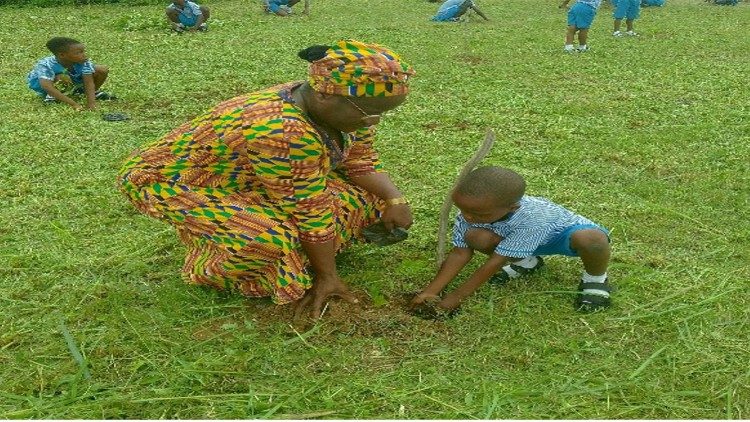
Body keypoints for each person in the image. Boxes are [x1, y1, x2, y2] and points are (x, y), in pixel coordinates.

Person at [117, 40, 416, 319]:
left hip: (249, 176)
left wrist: (394, 198)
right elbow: (309, 209)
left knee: (369, 198)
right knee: (269, 239)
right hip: (173, 180)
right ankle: (209, 269)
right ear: (324, 93)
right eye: (370, 114)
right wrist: (328, 277)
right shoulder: (281, 130)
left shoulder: (349, 105)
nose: (373, 122)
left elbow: (360, 158)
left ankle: (306, 252)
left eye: (382, 115)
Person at [411, 166, 612, 314]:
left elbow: (495, 262)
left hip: (559, 237)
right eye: (462, 209)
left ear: (512, 208)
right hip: (513, 239)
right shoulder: (471, 213)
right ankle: (528, 262)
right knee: (474, 235)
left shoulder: (532, 217)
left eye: (477, 213)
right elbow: (460, 253)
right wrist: (431, 292)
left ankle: (595, 280)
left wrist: (455, 298)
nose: (467, 217)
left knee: (593, 240)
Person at [27, 37, 113, 110]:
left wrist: (91, 103)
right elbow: (46, 86)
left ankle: (83, 92)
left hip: (72, 79)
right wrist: (73, 104)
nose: (84, 55)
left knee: (102, 70)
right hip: (47, 84)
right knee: (62, 77)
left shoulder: (83, 61)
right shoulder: (46, 65)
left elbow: (89, 82)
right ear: (62, 55)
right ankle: (52, 97)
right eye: (78, 53)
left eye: (83, 51)